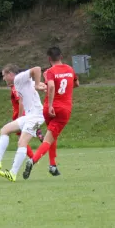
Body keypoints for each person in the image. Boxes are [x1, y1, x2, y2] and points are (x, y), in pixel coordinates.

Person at [0, 64, 46, 182]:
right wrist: (40, 85)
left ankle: (13, 173)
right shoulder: (20, 81)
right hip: (30, 116)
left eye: (4, 75)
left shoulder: (18, 78)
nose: (3, 78)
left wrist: (37, 84)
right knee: (4, 130)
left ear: (10, 74)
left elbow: (36, 69)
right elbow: (32, 86)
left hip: (37, 116)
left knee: (22, 142)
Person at [23, 46, 79, 179]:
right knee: (49, 138)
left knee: (52, 135)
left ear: (49, 59)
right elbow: (76, 84)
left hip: (48, 108)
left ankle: (52, 166)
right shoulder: (70, 69)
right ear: (61, 56)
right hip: (63, 109)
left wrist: (50, 104)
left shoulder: (49, 71)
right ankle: (33, 160)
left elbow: (51, 86)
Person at [9, 83, 44, 160]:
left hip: (20, 115)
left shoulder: (15, 88)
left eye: (4, 76)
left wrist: (19, 117)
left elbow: (20, 102)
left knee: (21, 140)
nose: (4, 78)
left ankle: (33, 158)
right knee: (22, 139)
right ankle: (37, 130)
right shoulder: (20, 86)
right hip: (28, 114)